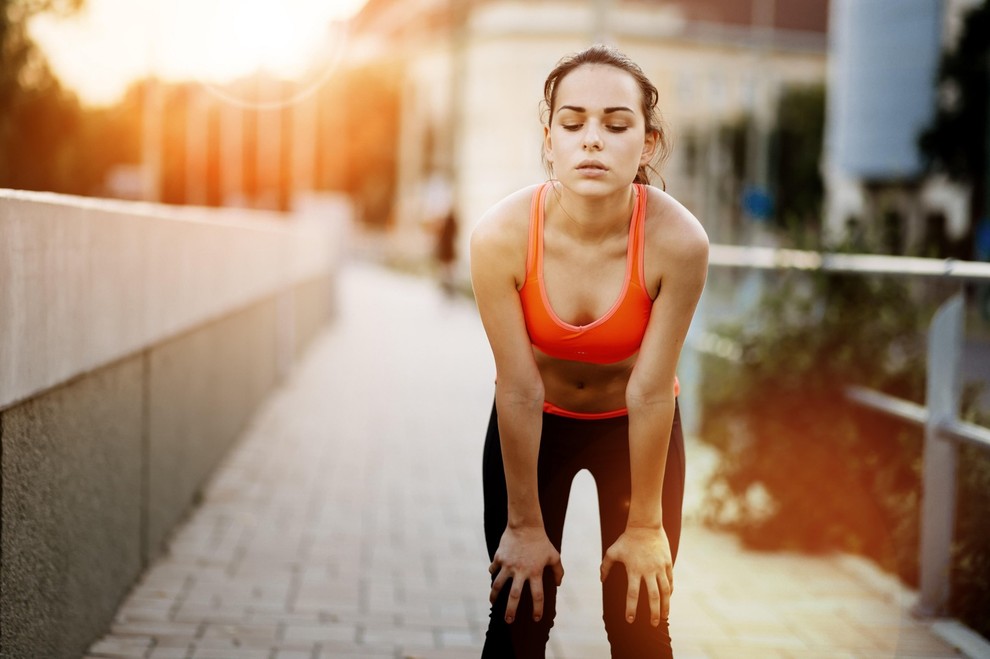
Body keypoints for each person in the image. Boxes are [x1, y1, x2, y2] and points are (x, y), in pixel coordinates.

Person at [469, 44, 709, 658]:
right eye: (572, 124)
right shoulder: (500, 236)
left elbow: (651, 390)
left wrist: (647, 525)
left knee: (639, 619)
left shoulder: (678, 241)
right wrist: (524, 526)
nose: (592, 140)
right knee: (519, 614)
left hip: (635, 431)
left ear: (647, 143)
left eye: (616, 124)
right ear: (548, 138)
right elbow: (518, 388)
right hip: (534, 424)